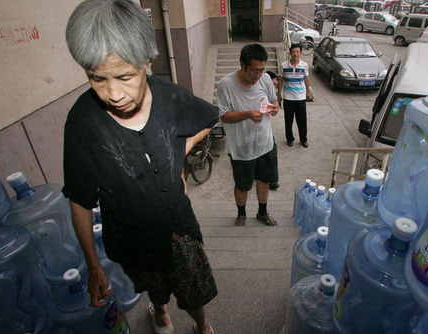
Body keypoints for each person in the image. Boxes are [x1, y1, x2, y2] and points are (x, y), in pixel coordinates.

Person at [63, 1, 217, 333]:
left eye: (125, 76)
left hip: (178, 227)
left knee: (193, 289)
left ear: (147, 61)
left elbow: (208, 118)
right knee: (154, 286)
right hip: (130, 236)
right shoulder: (82, 122)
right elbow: (79, 200)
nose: (113, 93)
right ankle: (159, 310)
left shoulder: (170, 96)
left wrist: (180, 149)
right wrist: (93, 266)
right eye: (97, 78)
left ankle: (202, 323)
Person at [217, 44, 280, 227]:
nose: (258, 76)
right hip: (241, 148)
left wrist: (275, 108)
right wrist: (247, 114)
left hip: (265, 143)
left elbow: (274, 101)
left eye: (261, 70)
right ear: (242, 65)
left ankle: (262, 212)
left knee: (264, 180)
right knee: (243, 185)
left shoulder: (266, 79)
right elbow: (223, 116)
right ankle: (241, 213)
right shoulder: (226, 84)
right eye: (254, 71)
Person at [278, 43, 311, 148]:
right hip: (288, 98)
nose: (295, 54)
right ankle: (290, 139)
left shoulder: (304, 65)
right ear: (290, 53)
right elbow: (280, 79)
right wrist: (279, 93)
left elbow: (306, 78)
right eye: (293, 52)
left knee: (302, 121)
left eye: (297, 52)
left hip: (300, 98)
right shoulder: (283, 65)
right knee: (288, 121)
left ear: (300, 53)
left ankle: (303, 139)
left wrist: (307, 91)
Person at [265, 70, 281, 192]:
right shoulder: (258, 90)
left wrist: (275, 108)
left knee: (272, 150)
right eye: (273, 83)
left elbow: (274, 109)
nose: (274, 86)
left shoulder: (270, 92)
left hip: (265, 128)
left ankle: (272, 180)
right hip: (251, 129)